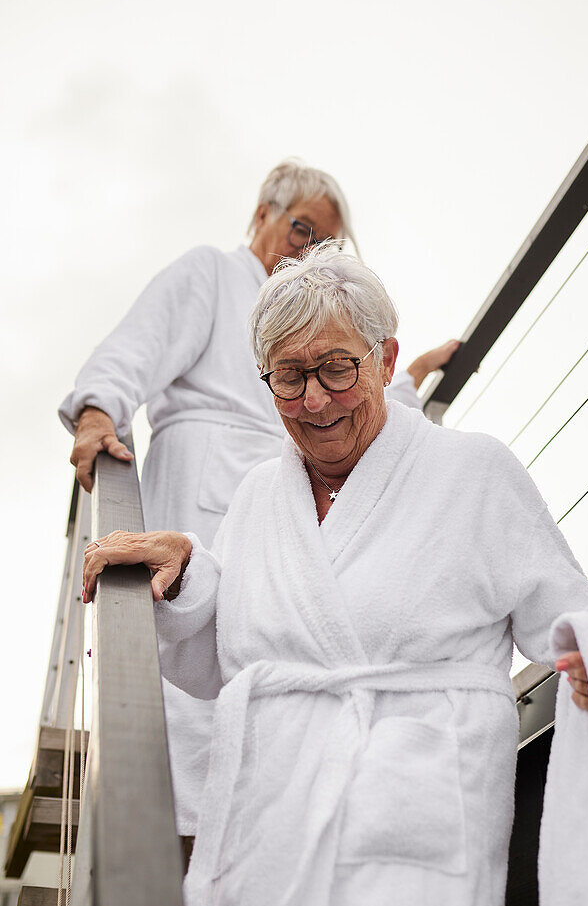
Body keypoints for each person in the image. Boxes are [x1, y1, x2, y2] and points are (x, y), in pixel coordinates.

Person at [81, 243, 588, 906]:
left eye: (335, 367)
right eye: (287, 376)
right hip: (267, 833)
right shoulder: (260, 496)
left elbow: (567, 615)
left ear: (386, 356)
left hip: (412, 818)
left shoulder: (473, 473)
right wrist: (192, 579)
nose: (314, 399)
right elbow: (244, 661)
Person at [61, 160, 459, 836]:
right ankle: (172, 835)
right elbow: (136, 346)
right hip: (200, 485)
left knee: (267, 657)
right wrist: (100, 413)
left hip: (286, 502)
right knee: (191, 664)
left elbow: (345, 393)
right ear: (262, 214)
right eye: (298, 228)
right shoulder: (209, 274)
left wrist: (409, 376)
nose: (302, 250)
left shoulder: (310, 321)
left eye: (321, 244)